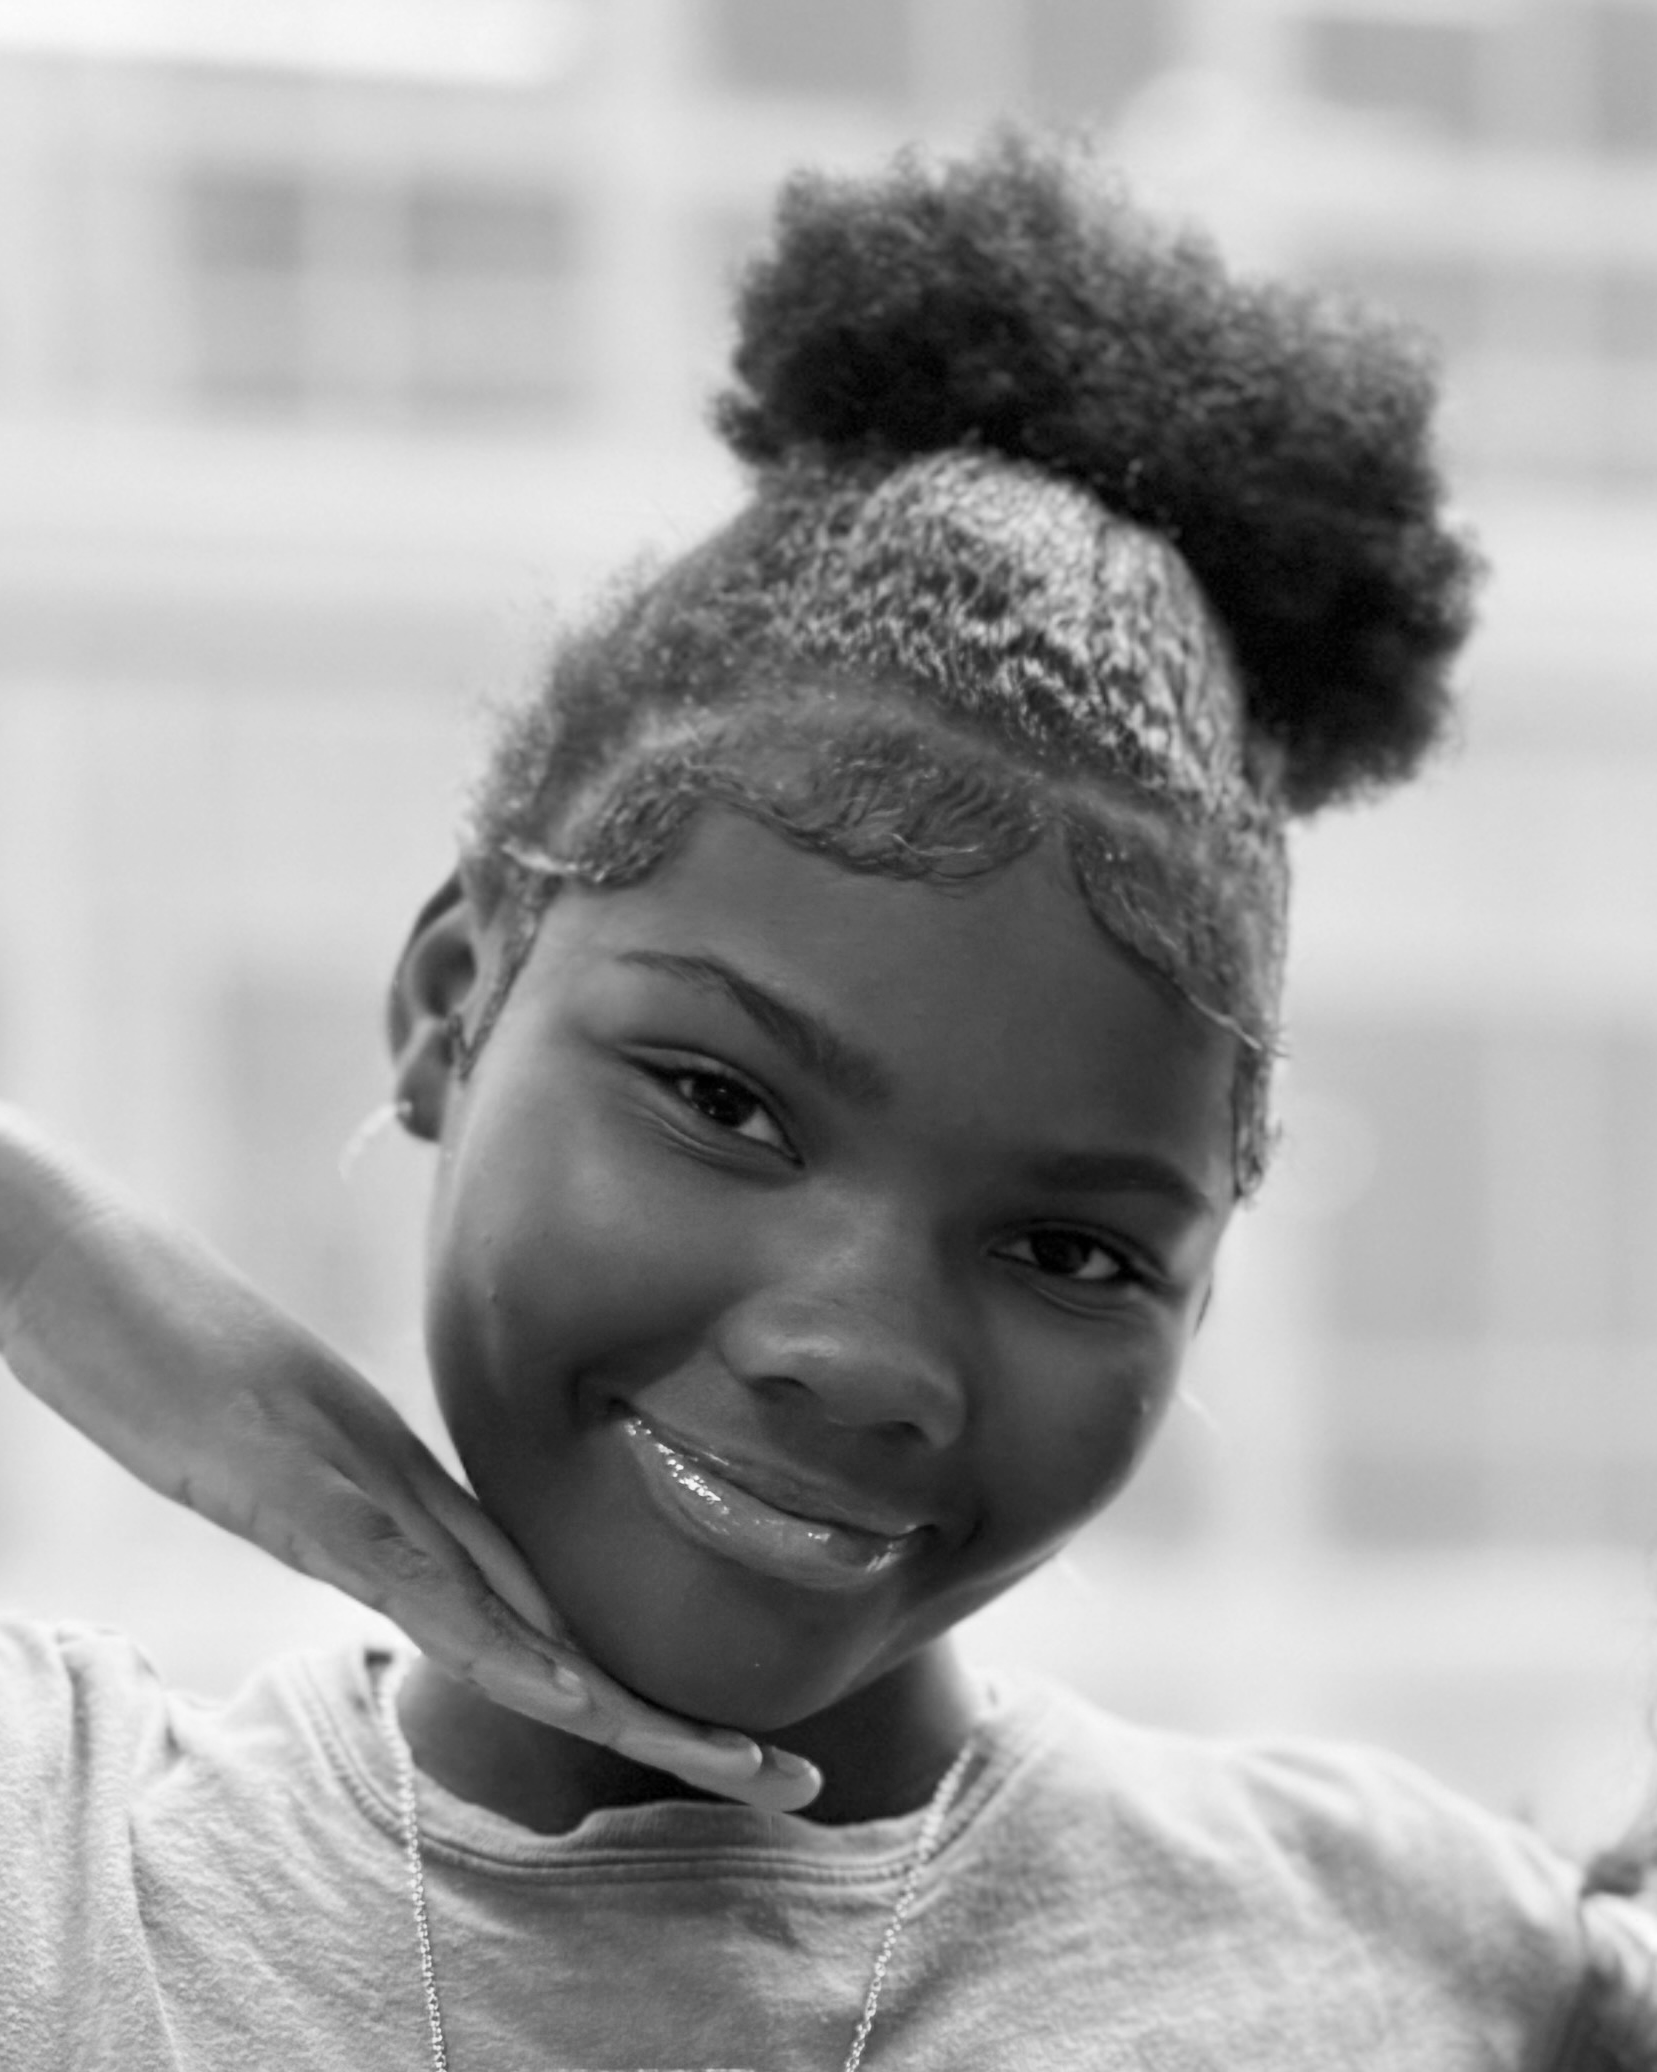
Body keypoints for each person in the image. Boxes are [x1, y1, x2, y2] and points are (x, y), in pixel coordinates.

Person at [0, 135, 1651, 2071]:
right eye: (723, 1098)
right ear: (457, 999)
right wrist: (36, 1241)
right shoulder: (64, 1851)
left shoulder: (1419, 1957)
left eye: (1074, 1246)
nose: (864, 1353)